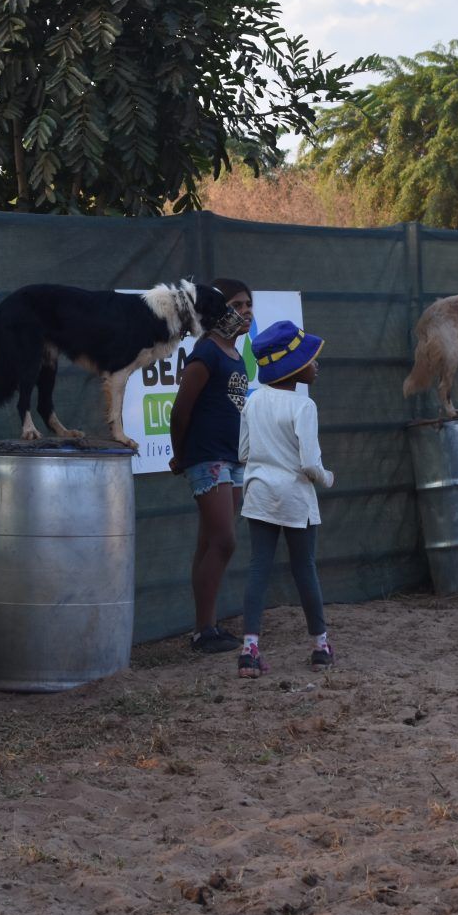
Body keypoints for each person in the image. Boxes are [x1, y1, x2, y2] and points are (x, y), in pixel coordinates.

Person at [236, 320, 335, 678]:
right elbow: (310, 463)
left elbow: (244, 452)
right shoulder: (303, 407)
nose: (315, 364)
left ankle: (249, 650)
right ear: (293, 366)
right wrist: (326, 478)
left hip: (259, 493)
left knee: (258, 566)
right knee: (303, 567)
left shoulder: (253, 402)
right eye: (310, 359)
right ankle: (320, 646)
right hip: (295, 496)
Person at [169, 277, 254, 653]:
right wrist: (180, 453)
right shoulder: (206, 353)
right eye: (237, 306)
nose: (245, 312)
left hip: (232, 457)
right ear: (218, 311)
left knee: (209, 541)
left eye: (249, 305)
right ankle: (204, 630)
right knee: (223, 540)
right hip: (208, 457)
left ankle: (207, 627)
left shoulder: (236, 355)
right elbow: (180, 410)